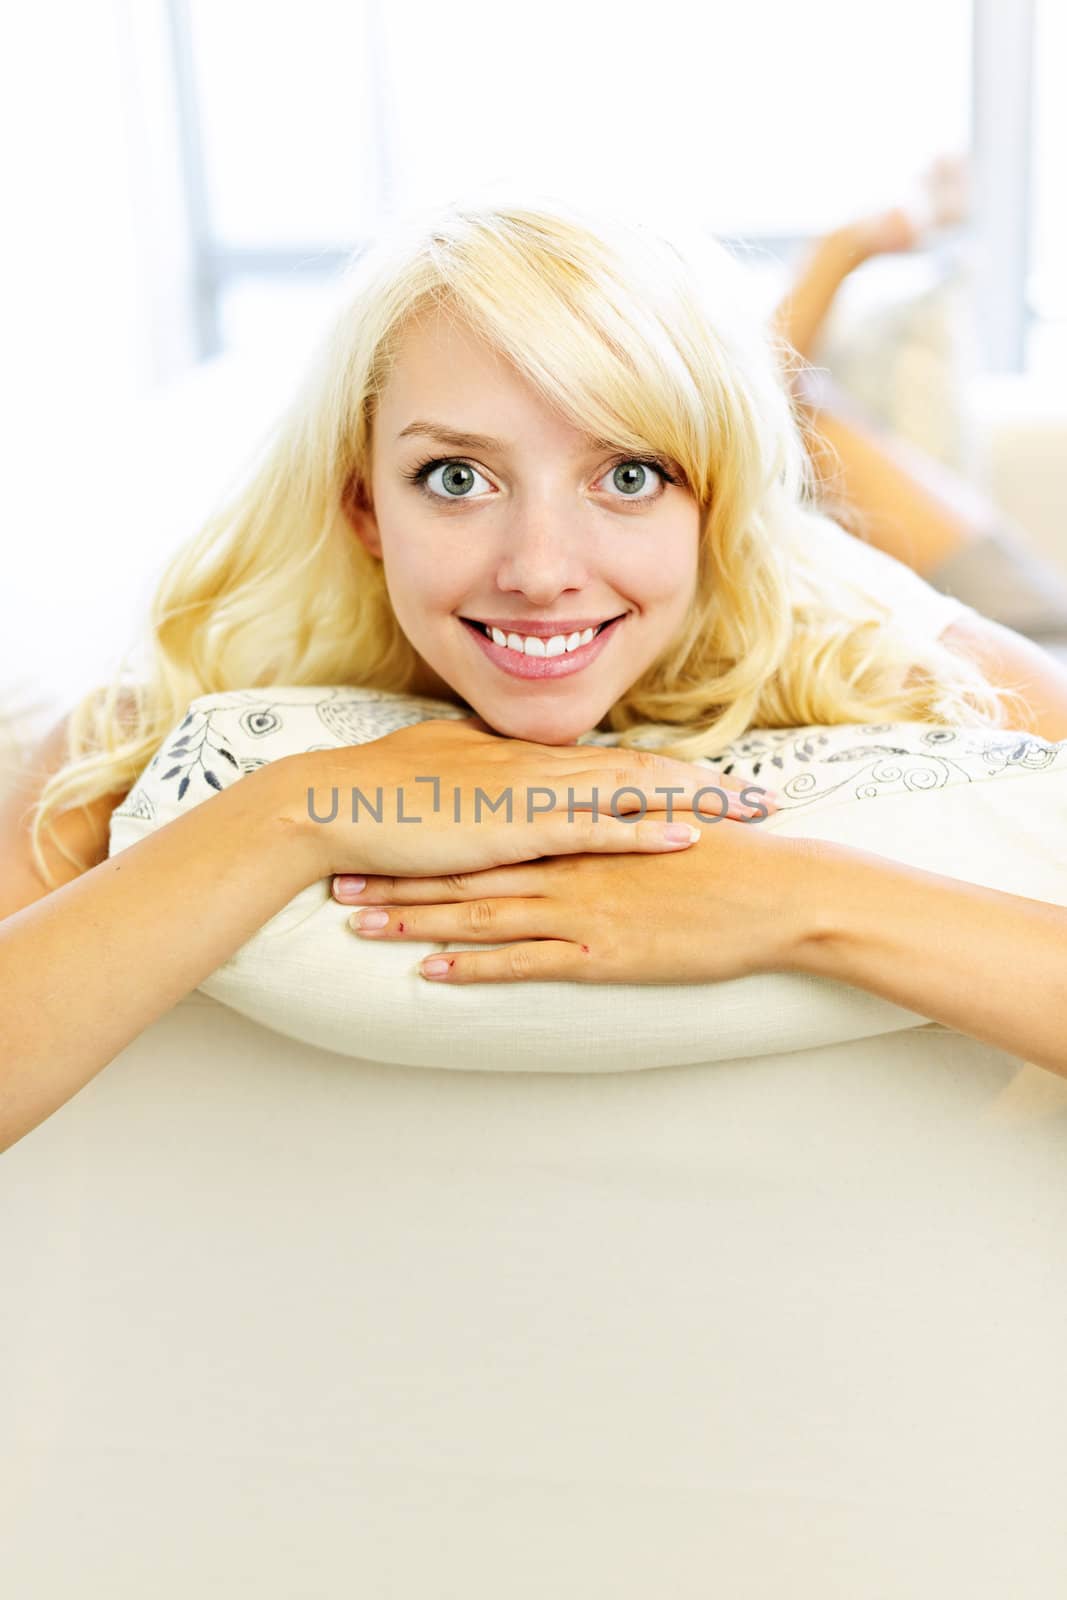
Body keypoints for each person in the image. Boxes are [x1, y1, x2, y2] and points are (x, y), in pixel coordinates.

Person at [4, 185, 1067, 1158]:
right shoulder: (172, 710)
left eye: (629, 472)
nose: (539, 572)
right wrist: (292, 812)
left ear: (711, 501)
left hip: (975, 595)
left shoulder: (916, 659)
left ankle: (813, 325)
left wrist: (795, 898)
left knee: (837, 426)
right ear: (363, 505)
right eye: (455, 477)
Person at [772, 154, 1067, 644]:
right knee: (788, 413)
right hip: (1034, 625)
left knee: (787, 414)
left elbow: (767, 396)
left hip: (1028, 634)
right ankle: (850, 243)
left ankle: (849, 244)